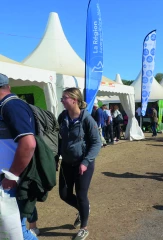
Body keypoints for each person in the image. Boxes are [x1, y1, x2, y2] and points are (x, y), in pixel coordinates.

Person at [58, 88, 101, 240]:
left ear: (74, 100)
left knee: (81, 195)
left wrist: (85, 161)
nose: (61, 100)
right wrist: (57, 156)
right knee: (64, 195)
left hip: (83, 164)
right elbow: (60, 139)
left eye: (64, 98)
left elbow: (97, 143)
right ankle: (84, 209)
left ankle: (84, 227)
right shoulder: (62, 117)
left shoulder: (87, 119)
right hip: (66, 163)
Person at [0, 73, 39, 240]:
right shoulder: (7, 106)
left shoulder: (11, 106)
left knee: (17, 230)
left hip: (11, 181)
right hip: (9, 179)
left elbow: (29, 143)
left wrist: (12, 176)